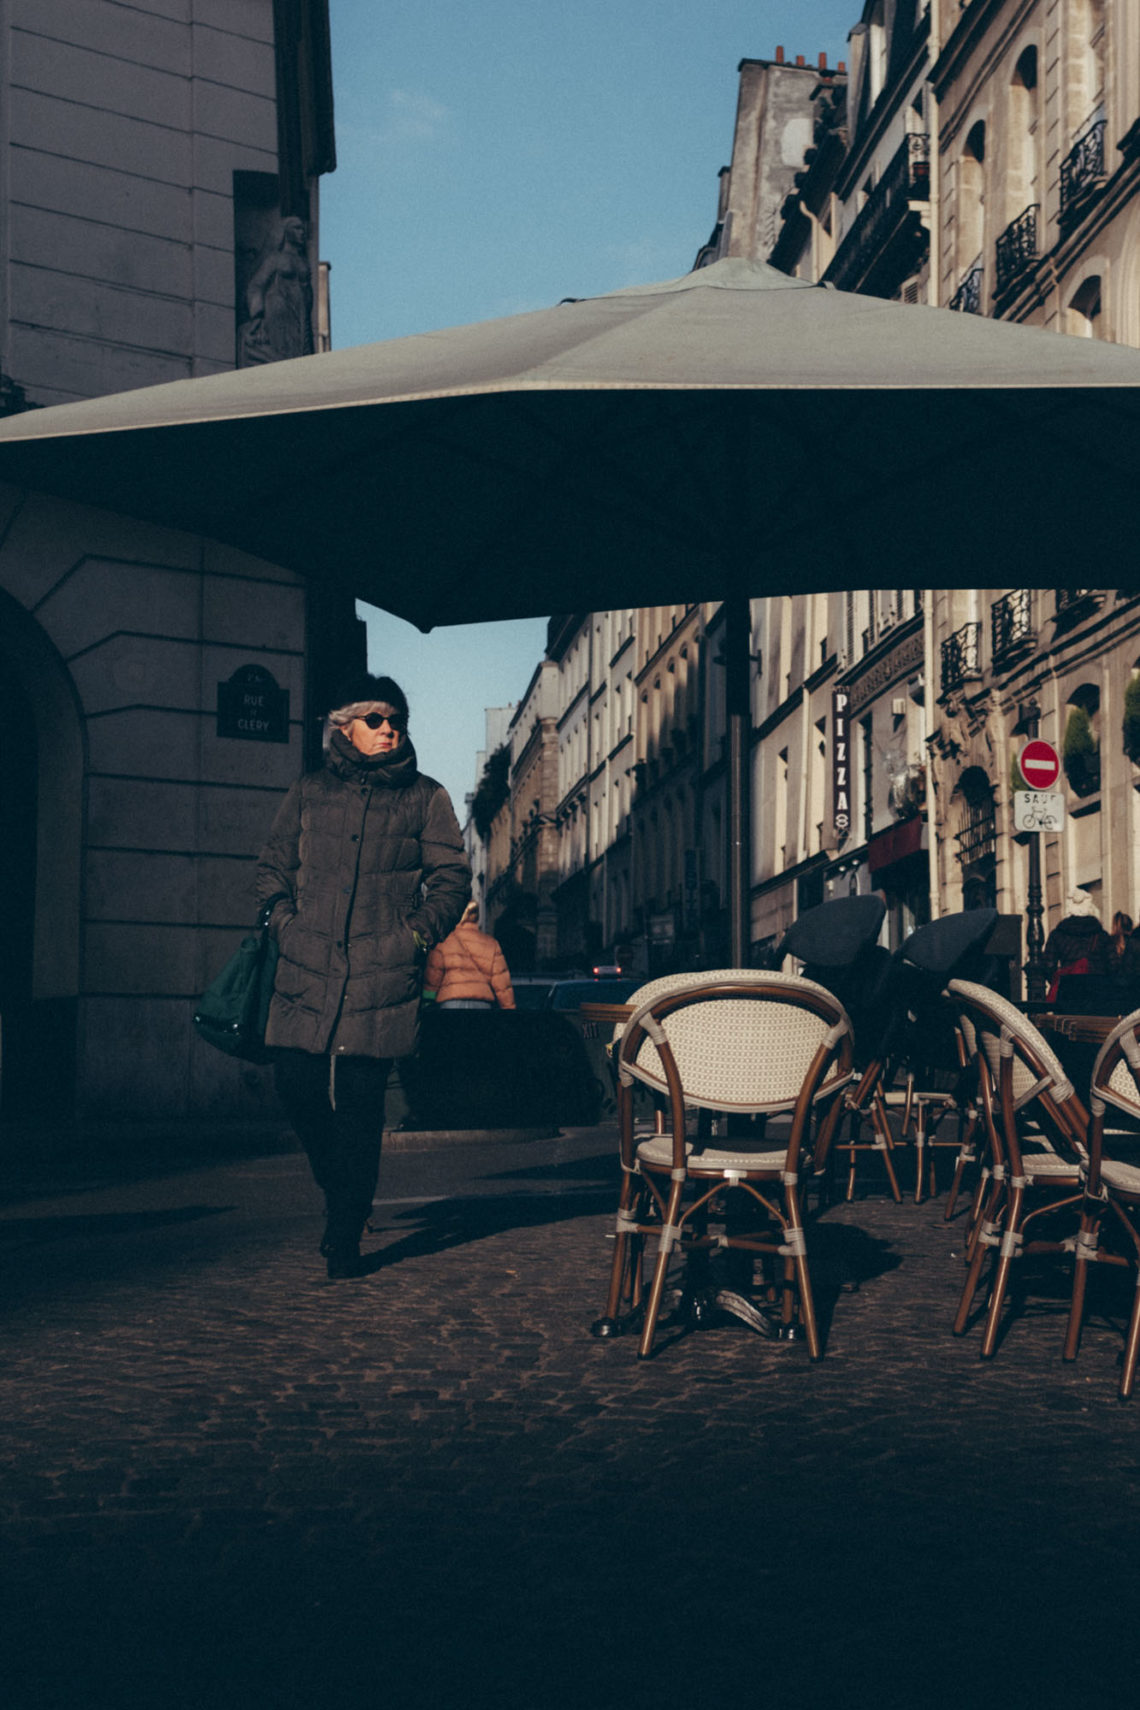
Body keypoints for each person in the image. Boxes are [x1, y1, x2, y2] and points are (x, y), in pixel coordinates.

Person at [256, 672, 470, 1278]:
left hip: (383, 973)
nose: (388, 729)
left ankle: (345, 1230)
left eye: (395, 720)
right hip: (306, 964)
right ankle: (341, 1189)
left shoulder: (426, 796)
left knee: (359, 1107)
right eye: (374, 719)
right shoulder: (309, 791)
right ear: (344, 726)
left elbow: (452, 880)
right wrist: (282, 923)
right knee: (295, 1085)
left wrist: (414, 936)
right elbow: (272, 867)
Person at [423, 901, 516, 1010]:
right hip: (482, 1003)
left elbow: (433, 976)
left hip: (451, 1002)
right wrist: (509, 1008)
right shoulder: (491, 943)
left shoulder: (443, 941)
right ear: (477, 916)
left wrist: (427, 1003)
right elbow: (502, 984)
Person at [1043, 887, 1110, 1003]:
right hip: (1097, 990)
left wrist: (1061, 979)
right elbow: (1113, 965)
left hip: (1068, 989)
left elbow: (1048, 965)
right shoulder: (1101, 935)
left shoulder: (1058, 934)